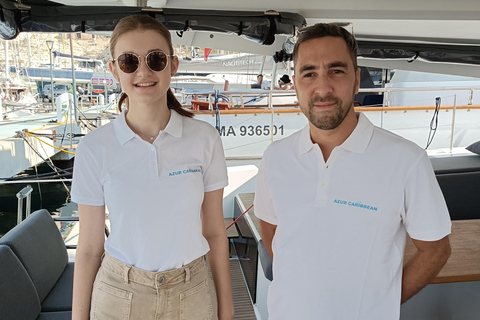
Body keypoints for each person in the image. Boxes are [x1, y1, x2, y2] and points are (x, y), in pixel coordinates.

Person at [254, 23, 451, 320]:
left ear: (356, 79)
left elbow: (436, 249)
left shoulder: (406, 160)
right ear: (295, 83)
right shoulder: (275, 157)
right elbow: (271, 230)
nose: (322, 88)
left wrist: (381, 303)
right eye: (309, 73)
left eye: (336, 71)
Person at [71, 15, 234, 320]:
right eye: (129, 61)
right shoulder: (94, 149)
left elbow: (213, 231)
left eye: (156, 59)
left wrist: (226, 308)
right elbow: (91, 247)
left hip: (193, 293)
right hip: (119, 294)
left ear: (173, 65)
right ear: (114, 70)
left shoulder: (204, 139)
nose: (143, 71)